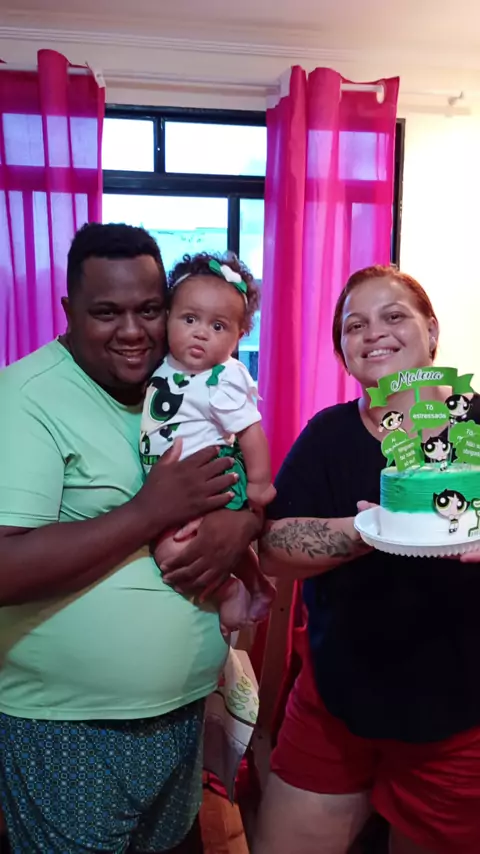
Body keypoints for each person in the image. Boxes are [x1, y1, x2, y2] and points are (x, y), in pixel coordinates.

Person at [0, 222, 263, 854]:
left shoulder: (176, 381)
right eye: (106, 312)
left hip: (179, 714)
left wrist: (244, 522)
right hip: (70, 727)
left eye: (149, 310)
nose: (132, 331)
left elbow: (239, 472)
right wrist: (149, 512)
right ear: (68, 310)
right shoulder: (26, 397)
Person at [253, 265, 480, 854]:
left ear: (432, 331)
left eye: (394, 316)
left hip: (459, 721)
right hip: (335, 709)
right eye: (355, 325)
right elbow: (273, 548)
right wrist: (368, 529)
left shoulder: (476, 426)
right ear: (344, 352)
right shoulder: (328, 435)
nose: (373, 332)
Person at [142, 252, 275, 632]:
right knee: (211, 542)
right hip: (176, 485)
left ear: (239, 336)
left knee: (172, 554)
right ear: (168, 317)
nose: (201, 333)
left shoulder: (223, 379)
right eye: (190, 319)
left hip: (210, 481)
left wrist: (260, 484)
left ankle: (229, 592)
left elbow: (250, 431)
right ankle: (256, 585)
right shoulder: (161, 363)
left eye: (218, 326)